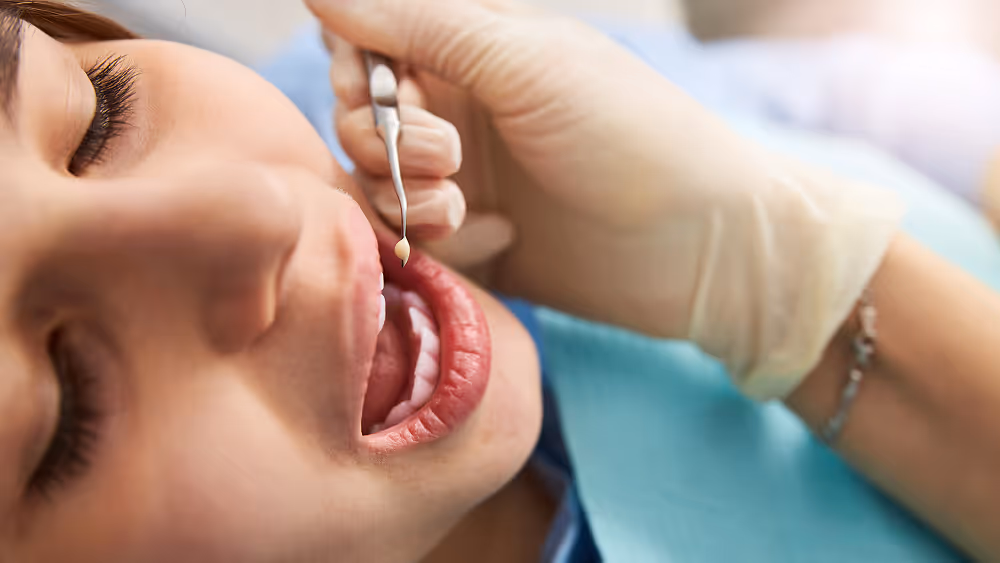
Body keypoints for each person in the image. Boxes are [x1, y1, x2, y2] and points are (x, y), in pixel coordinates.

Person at [0, 2, 997, 563]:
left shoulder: (438, 117)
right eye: (66, 404)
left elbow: (908, 113)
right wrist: (800, 305)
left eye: (95, 114)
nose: (252, 211)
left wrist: (773, 267)